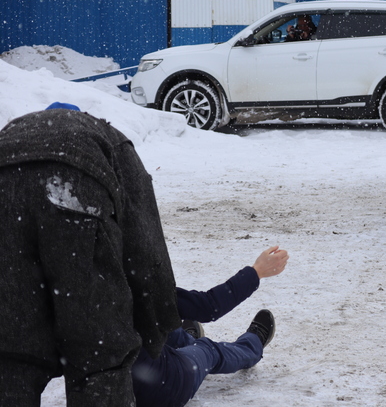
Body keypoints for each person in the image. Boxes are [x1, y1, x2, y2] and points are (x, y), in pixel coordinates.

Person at [0, 105, 182, 406]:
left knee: (10, 353)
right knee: (98, 353)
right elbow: (145, 240)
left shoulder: (12, 133)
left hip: (4, 179)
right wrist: (157, 322)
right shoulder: (108, 139)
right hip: (77, 187)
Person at [132, 245, 289, 407]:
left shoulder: (115, 288)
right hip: (159, 388)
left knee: (164, 327)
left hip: (131, 367)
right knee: (208, 350)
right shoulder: (123, 286)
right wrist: (257, 271)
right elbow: (207, 307)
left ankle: (186, 342)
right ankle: (252, 345)